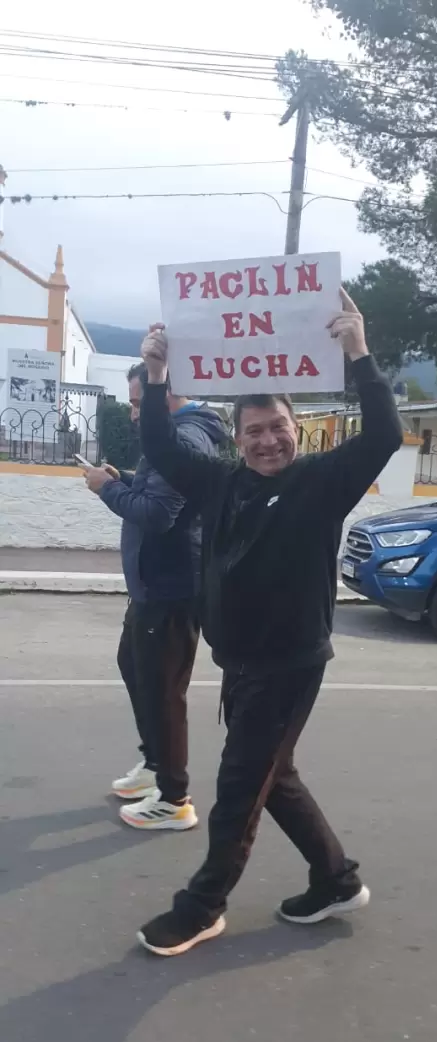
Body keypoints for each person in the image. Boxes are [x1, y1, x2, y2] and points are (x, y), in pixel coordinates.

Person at [136, 290, 403, 956]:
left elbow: (385, 436)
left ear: (296, 427)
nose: (267, 439)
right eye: (253, 429)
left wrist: (359, 355)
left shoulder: (322, 480)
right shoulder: (222, 481)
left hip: (288, 664)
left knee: (237, 789)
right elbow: (165, 451)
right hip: (244, 665)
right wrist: (160, 375)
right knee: (273, 779)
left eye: (277, 425)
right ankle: (336, 879)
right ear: (239, 435)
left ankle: (202, 906)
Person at [84, 362, 228, 830]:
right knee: (135, 669)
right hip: (154, 586)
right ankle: (154, 765)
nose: (131, 413)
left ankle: (174, 797)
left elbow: (160, 514)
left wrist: (107, 490)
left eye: (135, 402)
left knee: (163, 692)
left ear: (165, 393)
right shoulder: (174, 434)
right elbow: (158, 492)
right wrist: (123, 477)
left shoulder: (184, 438)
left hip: (170, 587)